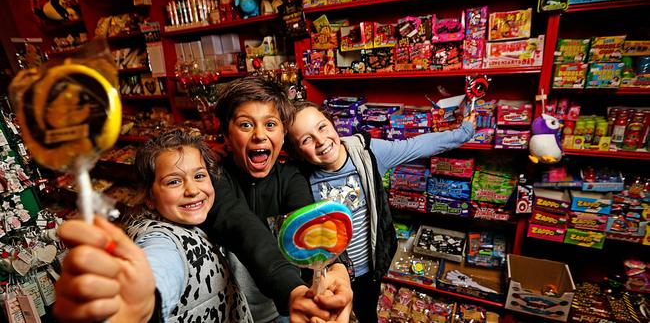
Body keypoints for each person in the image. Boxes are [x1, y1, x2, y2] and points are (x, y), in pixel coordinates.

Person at [286, 101, 476, 322]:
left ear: (331, 122)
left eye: (322, 127)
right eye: (306, 139)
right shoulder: (297, 178)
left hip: (369, 271)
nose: (321, 141)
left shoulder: (368, 153)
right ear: (297, 151)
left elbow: (417, 145)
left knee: (367, 315)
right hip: (326, 276)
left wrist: (464, 132)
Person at [55, 130, 253, 322]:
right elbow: (159, 264)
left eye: (199, 176)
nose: (192, 190)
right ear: (149, 197)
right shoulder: (159, 237)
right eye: (174, 182)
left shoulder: (197, 221)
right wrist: (142, 304)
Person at [209, 77, 353, 323]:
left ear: (284, 133)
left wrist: (337, 268)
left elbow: (312, 223)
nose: (259, 135)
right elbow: (241, 225)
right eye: (245, 125)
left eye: (271, 124)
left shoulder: (291, 178)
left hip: (281, 309)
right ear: (225, 133)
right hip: (226, 312)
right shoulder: (213, 178)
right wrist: (292, 291)